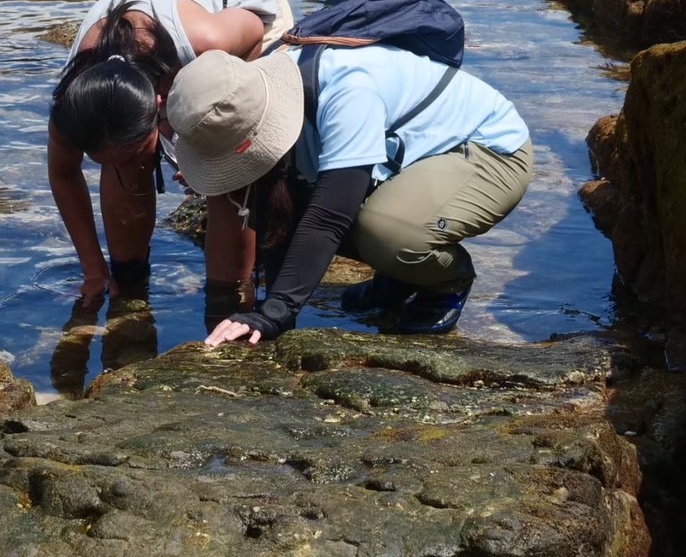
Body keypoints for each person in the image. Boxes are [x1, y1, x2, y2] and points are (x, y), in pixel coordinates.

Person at [165, 43, 531, 347]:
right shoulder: (247, 92)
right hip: (411, 160)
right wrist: (266, 317)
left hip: (486, 151)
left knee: (387, 232)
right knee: (307, 204)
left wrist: (276, 312)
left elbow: (329, 217)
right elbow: (282, 213)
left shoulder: (347, 92)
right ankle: (399, 278)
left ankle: (445, 282)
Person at [48, 0, 294, 309]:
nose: (126, 166)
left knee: (227, 163)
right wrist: (94, 269)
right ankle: (129, 286)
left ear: (159, 104)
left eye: (156, 124)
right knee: (126, 162)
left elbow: (252, 32)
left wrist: (201, 143)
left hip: (248, 18)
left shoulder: (206, 39)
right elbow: (63, 175)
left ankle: (229, 301)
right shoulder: (76, 101)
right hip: (160, 68)